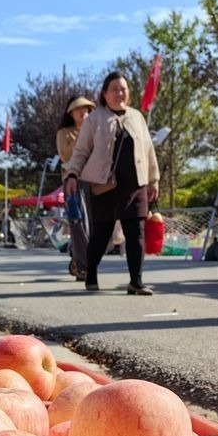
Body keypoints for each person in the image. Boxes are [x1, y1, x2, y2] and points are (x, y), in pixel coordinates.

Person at [64, 72, 160, 294]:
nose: (119, 93)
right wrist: (72, 174)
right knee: (101, 235)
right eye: (114, 89)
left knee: (136, 233)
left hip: (135, 185)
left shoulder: (137, 117)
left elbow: (148, 150)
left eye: (123, 89)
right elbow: (81, 151)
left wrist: (153, 180)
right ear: (105, 94)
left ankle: (136, 281)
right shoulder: (94, 119)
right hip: (104, 186)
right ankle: (91, 271)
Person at [57, 95, 96, 280]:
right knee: (78, 221)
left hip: (93, 181)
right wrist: (81, 133)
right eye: (79, 109)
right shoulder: (64, 133)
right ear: (71, 112)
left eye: (87, 109)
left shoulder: (95, 131)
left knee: (94, 224)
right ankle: (83, 264)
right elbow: (65, 156)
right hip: (73, 181)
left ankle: (76, 251)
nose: (83, 112)